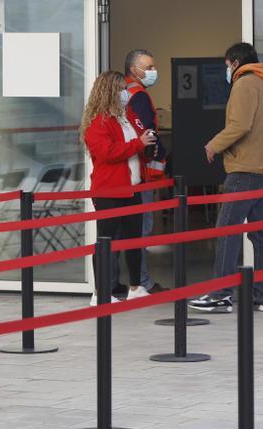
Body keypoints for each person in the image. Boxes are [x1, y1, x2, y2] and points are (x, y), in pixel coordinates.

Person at [188, 42, 263, 313]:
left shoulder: (244, 84)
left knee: (227, 230)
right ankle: (261, 295)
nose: (227, 70)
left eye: (227, 65)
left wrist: (214, 145)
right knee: (261, 235)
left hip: (245, 170)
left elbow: (240, 125)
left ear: (235, 62)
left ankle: (220, 293)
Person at [81, 71, 158, 306]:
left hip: (132, 187)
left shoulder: (127, 116)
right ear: (109, 92)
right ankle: (101, 293)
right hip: (109, 191)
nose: (126, 93)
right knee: (106, 241)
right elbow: (108, 152)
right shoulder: (97, 123)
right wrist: (138, 143)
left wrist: (147, 145)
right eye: (121, 88)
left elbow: (135, 145)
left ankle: (135, 287)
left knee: (133, 240)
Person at [113, 48, 167, 296]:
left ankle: (117, 283)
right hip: (141, 173)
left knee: (118, 231)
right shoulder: (139, 97)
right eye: (148, 67)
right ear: (134, 69)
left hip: (123, 173)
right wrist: (162, 152)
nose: (152, 71)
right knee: (140, 230)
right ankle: (142, 281)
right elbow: (148, 134)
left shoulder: (120, 94)